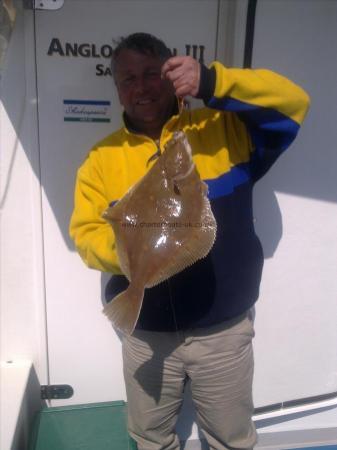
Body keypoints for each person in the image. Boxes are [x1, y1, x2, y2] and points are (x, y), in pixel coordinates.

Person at [69, 32, 310, 450]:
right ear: (118, 91)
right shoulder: (99, 159)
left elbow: (293, 105)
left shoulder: (224, 131)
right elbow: (86, 236)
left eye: (151, 74)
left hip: (223, 333)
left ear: (172, 76)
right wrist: (138, 248)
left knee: (230, 441)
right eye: (128, 79)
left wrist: (214, 83)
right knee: (150, 439)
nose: (141, 87)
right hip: (146, 335)